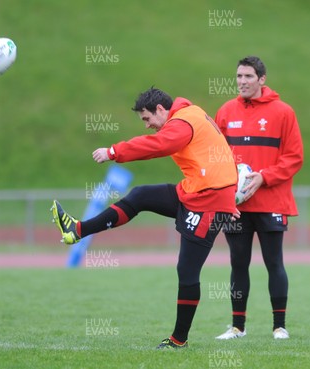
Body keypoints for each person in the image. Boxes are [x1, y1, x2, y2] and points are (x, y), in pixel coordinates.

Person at [51, 87, 238, 349]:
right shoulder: (190, 115)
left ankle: (178, 340)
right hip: (196, 193)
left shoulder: (182, 121)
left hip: (208, 202)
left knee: (187, 271)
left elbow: (160, 145)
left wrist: (114, 152)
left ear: (161, 109)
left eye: (147, 119)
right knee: (141, 196)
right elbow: (218, 153)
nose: (148, 125)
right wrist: (230, 196)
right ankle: (77, 229)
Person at [213, 56, 303, 340]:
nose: (242, 82)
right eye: (239, 76)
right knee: (238, 263)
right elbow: (215, 156)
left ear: (262, 79)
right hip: (236, 206)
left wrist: (265, 176)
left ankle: (280, 326)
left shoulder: (283, 112)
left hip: (272, 202)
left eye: (248, 77)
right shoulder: (226, 111)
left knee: (274, 262)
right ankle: (237, 326)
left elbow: (294, 157)